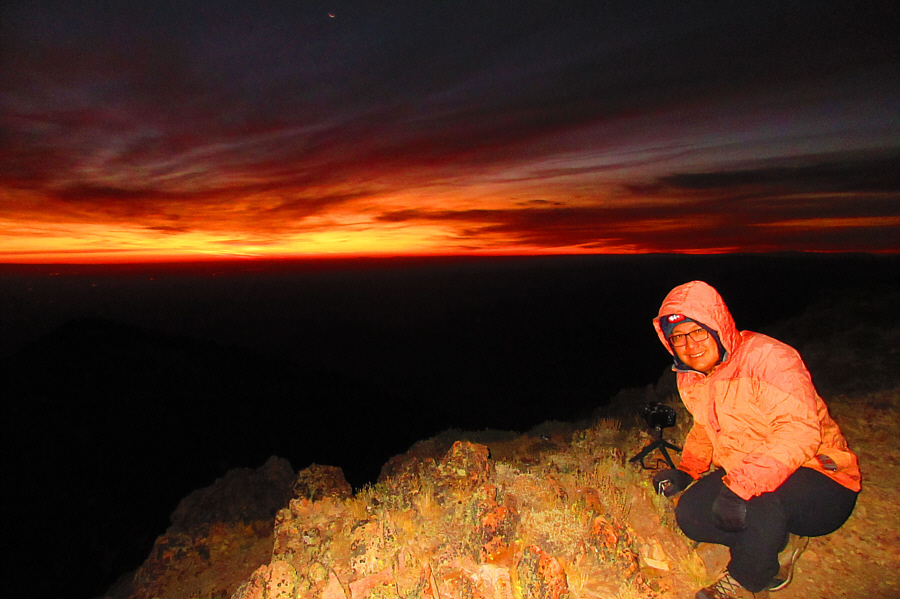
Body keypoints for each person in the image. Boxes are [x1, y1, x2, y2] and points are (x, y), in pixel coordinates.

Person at [650, 281, 860, 599]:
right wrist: (687, 471)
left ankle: (748, 578)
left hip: (820, 475)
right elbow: (705, 427)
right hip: (751, 469)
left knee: (761, 502)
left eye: (697, 332)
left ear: (717, 326)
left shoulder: (770, 358)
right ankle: (779, 541)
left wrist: (741, 487)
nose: (690, 345)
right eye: (678, 337)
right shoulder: (690, 377)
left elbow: (799, 433)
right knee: (690, 514)